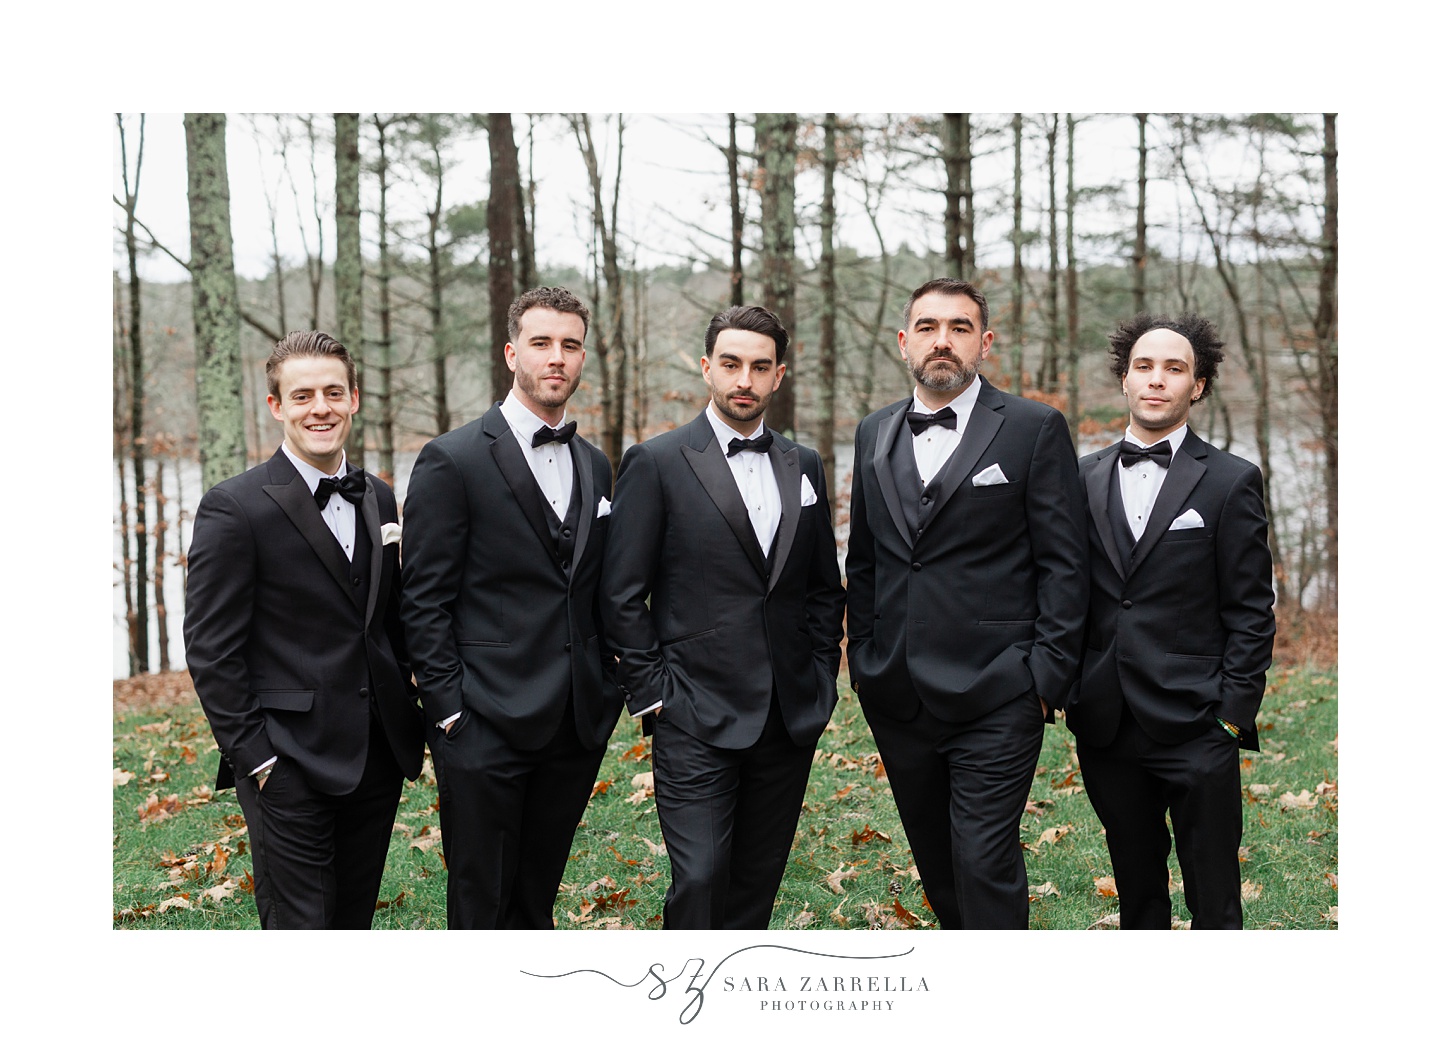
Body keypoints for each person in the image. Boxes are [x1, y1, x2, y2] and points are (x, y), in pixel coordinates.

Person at [845, 278, 1088, 929]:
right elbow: (864, 560)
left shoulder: (1034, 429)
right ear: (904, 342)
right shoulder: (873, 433)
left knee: (982, 859)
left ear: (984, 340)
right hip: (895, 691)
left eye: (958, 326)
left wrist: (1044, 676)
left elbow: (1064, 562)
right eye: (927, 326)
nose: (941, 340)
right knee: (938, 866)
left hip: (999, 688)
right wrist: (864, 661)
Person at [602, 304, 845, 929]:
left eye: (760, 368)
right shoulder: (655, 462)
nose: (745, 380)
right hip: (693, 711)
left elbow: (823, 587)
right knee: (702, 879)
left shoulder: (804, 464)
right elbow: (623, 593)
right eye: (731, 365)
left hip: (788, 715)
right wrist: (654, 694)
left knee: (756, 884)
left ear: (779, 376)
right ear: (707, 368)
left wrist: (818, 677)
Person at [184, 330, 424, 929]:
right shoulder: (234, 507)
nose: (320, 407)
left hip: (375, 753)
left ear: (354, 398)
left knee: (352, 921)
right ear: (277, 406)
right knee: (302, 928)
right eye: (303, 396)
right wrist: (256, 758)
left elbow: (386, 621)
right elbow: (212, 650)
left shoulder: (378, 496)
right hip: (286, 759)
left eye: (332, 393)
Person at [399, 286, 621, 929]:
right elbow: (424, 597)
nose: (557, 358)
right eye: (542, 343)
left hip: (575, 721)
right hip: (482, 724)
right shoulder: (453, 458)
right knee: (482, 901)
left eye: (570, 345)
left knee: (537, 895)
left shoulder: (595, 464)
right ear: (511, 353)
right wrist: (448, 712)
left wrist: (606, 689)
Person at [1066, 313, 1275, 930]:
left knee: (1215, 898)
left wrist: (1231, 718)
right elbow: (1068, 593)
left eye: (1174, 369)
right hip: (1107, 722)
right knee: (1137, 891)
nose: (1157, 380)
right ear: (1125, 381)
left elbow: (1250, 610)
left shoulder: (1232, 481)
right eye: (1144, 367)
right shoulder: (1081, 477)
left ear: (1198, 386)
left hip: (1198, 725)